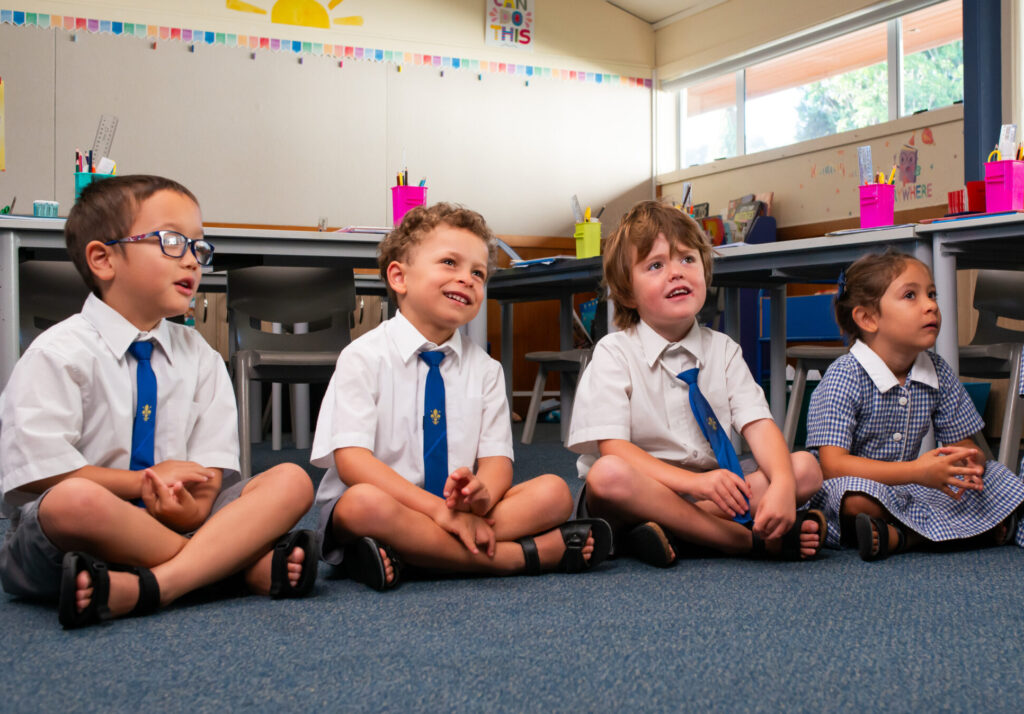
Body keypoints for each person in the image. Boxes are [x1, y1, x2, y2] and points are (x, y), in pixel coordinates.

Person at [0, 175, 317, 629]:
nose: (192, 260)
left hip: (180, 525)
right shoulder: (58, 351)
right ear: (103, 259)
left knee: (291, 480)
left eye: (200, 247)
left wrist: (188, 509)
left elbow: (208, 479)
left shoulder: (202, 358)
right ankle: (228, 569)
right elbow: (38, 471)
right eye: (171, 241)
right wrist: (139, 485)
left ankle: (154, 586)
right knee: (73, 501)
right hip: (80, 537)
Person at [311, 202, 612, 590]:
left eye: (478, 273)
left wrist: (480, 497)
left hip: (460, 511)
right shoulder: (362, 357)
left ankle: (413, 554)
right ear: (399, 277)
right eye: (449, 263)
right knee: (361, 503)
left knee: (554, 492)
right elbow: (352, 463)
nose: (467, 279)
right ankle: (516, 558)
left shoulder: (487, 370)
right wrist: (437, 511)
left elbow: (497, 462)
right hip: (390, 505)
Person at [567, 200, 825, 567]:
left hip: (710, 489)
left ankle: (676, 530)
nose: (677, 273)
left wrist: (782, 484)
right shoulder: (615, 351)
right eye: (656, 265)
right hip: (640, 490)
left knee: (804, 468)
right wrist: (694, 485)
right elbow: (614, 450)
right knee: (607, 476)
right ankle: (737, 539)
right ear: (626, 293)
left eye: (688, 259)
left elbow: (758, 424)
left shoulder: (723, 349)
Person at [806, 251, 1024, 560]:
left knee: (998, 477)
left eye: (931, 294)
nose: (931, 305)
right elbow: (833, 466)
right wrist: (917, 472)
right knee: (854, 499)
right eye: (911, 295)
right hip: (853, 487)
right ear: (868, 318)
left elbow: (964, 446)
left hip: (912, 486)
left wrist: (966, 467)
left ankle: (898, 535)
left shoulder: (937, 370)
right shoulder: (845, 374)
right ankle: (932, 535)